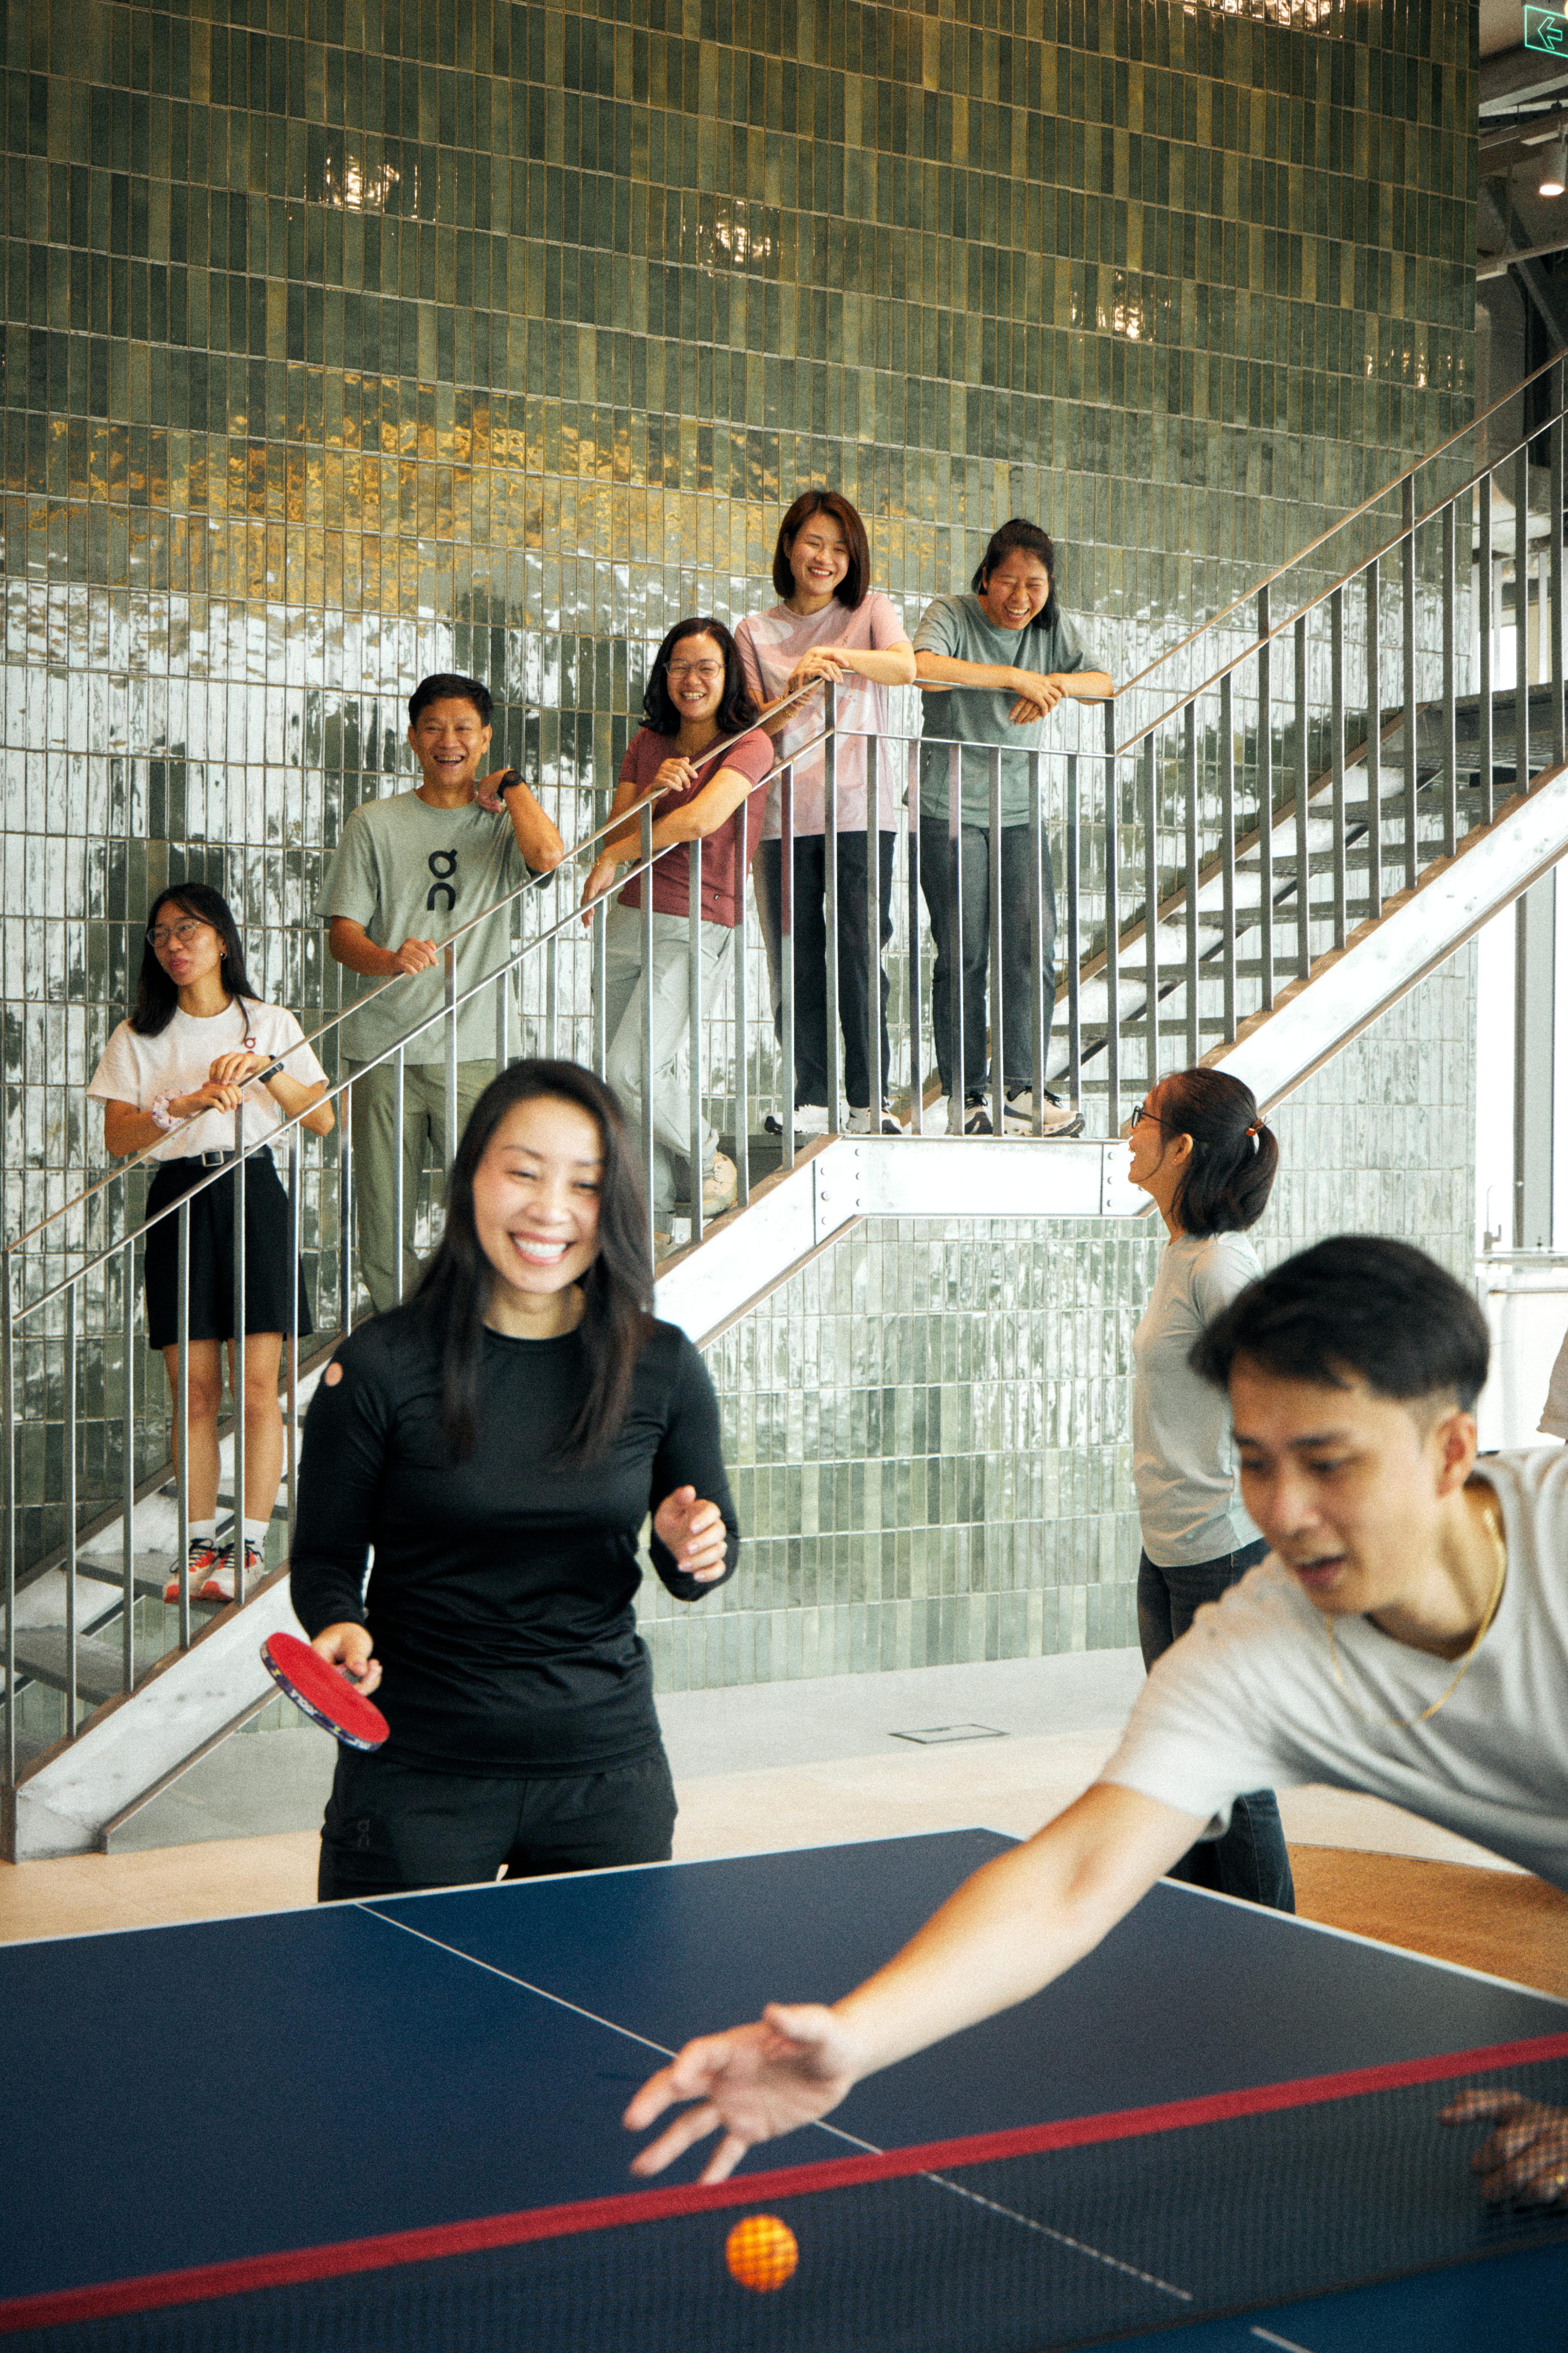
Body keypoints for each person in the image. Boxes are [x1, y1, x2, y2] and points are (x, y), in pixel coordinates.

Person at [623, 1236, 1568, 2210]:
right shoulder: (1262, 1645)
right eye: (1253, 1462)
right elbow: (1073, 1878)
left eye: (1328, 1463)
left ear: (1452, 1450)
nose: (1285, 1511)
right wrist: (857, 2039)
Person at [292, 1059, 740, 1896]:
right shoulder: (381, 1366)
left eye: (585, 1183)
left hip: (606, 1778)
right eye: (524, 1173)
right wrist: (339, 1625)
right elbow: (324, 1557)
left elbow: (704, 1561)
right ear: (472, 1181)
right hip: (417, 1777)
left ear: (614, 1205)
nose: (550, 1209)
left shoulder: (661, 1365)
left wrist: (693, 1546)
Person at [87, 883, 334, 1600]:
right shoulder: (138, 1033)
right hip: (178, 1199)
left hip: (253, 1192)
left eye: (188, 928)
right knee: (193, 1390)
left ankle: (249, 1547)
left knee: (259, 1388)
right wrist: (182, 1105)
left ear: (222, 939)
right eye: (160, 934)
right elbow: (118, 1140)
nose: (174, 944)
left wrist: (268, 1070)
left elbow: (322, 1119)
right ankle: (199, 1548)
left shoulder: (268, 1020)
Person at [318, 672, 565, 1317]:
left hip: (476, 1051)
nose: (447, 741)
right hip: (383, 1051)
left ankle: (480, 1336)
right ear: (411, 738)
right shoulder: (374, 822)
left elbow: (550, 856)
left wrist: (513, 787)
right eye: (432, 727)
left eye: (462, 729)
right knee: (382, 1218)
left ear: (484, 740)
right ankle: (407, 1344)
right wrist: (388, 958)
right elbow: (342, 934)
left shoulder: (505, 822)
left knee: (489, 1209)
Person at [1127, 1066, 1294, 1910]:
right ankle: (1207, 1939)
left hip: (1219, 1553)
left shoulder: (1221, 1263)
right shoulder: (1183, 1253)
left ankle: (1278, 1950)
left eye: (1143, 1118)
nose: (1128, 1132)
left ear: (1182, 1147)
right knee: (1182, 1759)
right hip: (1171, 1548)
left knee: (1228, 1764)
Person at [913, 520, 1113, 1137]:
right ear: (985, 577)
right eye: (1008, 582)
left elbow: (1103, 683)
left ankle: (1024, 1089)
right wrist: (1011, 677)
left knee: (1031, 948)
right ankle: (968, 1096)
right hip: (949, 807)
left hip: (1022, 812)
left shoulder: (1050, 628)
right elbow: (921, 669)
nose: (1021, 598)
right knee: (965, 952)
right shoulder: (951, 613)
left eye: (1036, 584)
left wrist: (1051, 683)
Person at [581, 618, 774, 1243]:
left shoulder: (750, 744)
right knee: (622, 1085)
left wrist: (617, 854)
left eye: (707, 667)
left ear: (729, 676)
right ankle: (653, 1227)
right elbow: (616, 832)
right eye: (680, 666)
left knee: (633, 1070)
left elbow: (701, 819)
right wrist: (646, 801)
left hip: (697, 918)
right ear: (666, 676)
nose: (692, 679)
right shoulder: (648, 742)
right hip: (629, 918)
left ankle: (711, 1157)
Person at [734, 491, 917, 1137]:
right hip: (782, 816)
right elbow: (751, 722)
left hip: (860, 810)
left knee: (861, 950)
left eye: (841, 549)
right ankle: (811, 1096)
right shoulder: (753, 631)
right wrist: (791, 692)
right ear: (789, 546)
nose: (827, 558)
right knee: (797, 955)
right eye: (814, 543)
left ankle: (870, 1100)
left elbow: (904, 666)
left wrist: (834, 660)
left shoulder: (869, 611)